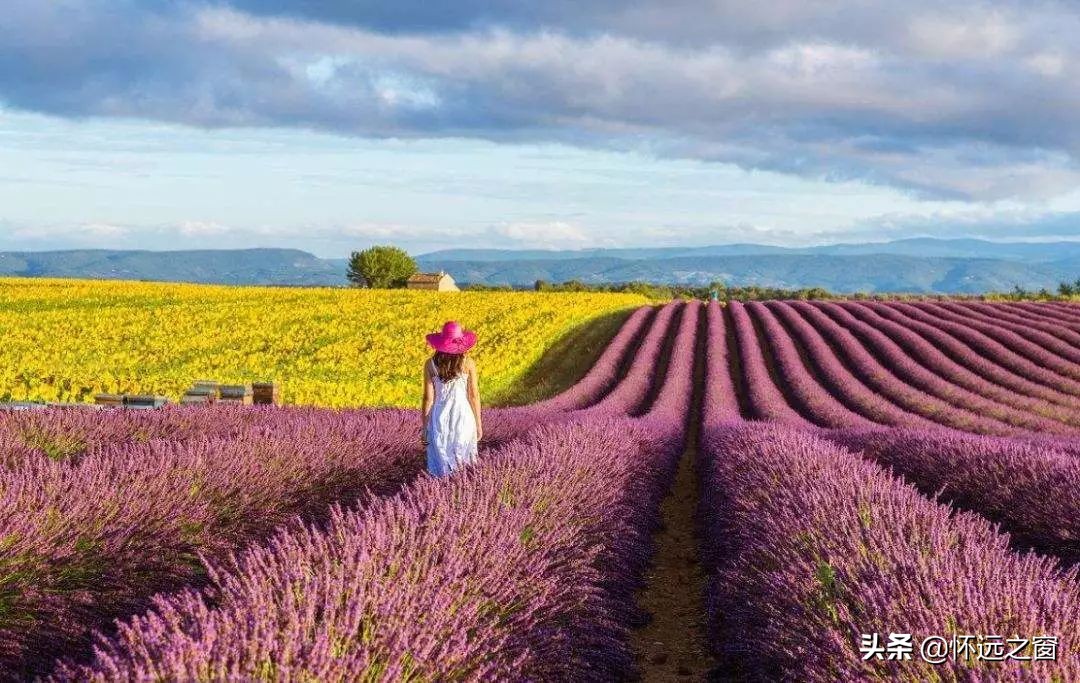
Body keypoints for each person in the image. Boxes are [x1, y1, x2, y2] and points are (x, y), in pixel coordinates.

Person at [421, 320, 482, 476]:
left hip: (439, 417)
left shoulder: (430, 364)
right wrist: (478, 424)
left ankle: (440, 490)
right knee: (464, 461)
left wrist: (425, 427)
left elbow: (428, 399)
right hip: (463, 416)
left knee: (441, 461)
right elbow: (474, 395)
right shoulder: (468, 363)